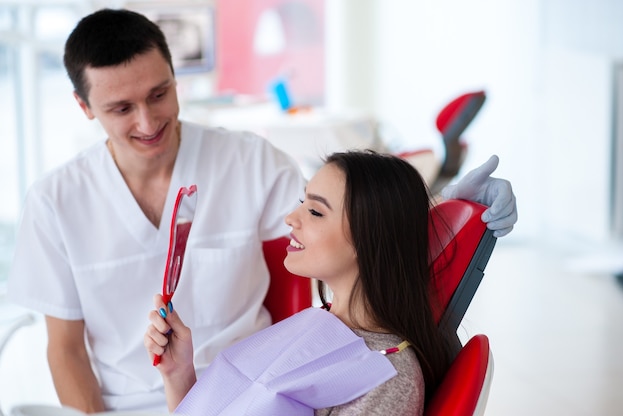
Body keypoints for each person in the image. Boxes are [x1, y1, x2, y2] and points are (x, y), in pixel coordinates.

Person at [7, 7, 517, 414]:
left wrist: (448, 207)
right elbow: (65, 349)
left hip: (258, 388)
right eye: (121, 109)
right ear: (84, 107)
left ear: (175, 79)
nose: (147, 120)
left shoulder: (249, 162)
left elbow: (354, 223)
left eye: (159, 94)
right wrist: (177, 381)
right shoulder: (55, 202)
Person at [145, 150, 459, 415]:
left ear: (369, 238)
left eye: (315, 211)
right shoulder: (317, 324)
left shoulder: (387, 377)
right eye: (302, 202)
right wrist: (178, 374)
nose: (291, 218)